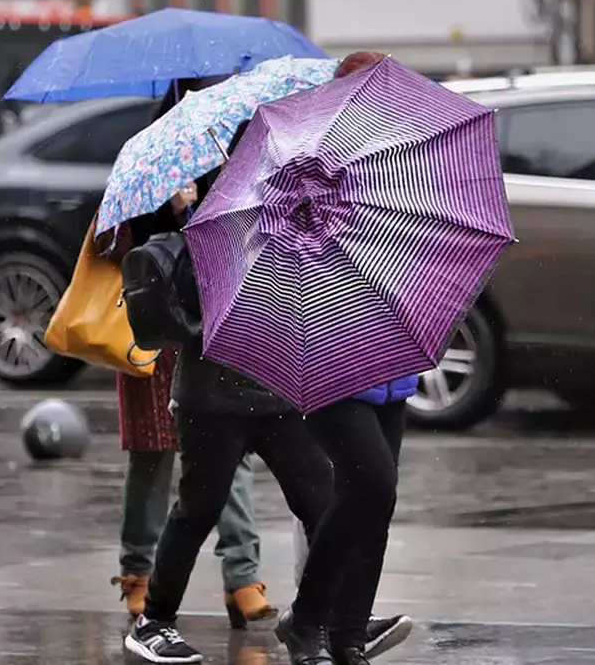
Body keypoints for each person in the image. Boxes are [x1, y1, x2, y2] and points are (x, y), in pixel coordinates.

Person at [124, 124, 336, 665]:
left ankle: (325, 615)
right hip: (212, 397)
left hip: (272, 392)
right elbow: (200, 304)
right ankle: (154, 623)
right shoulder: (211, 222)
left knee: (324, 499)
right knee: (198, 508)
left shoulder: (285, 215)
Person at [109, 78, 277, 629]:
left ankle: (243, 578)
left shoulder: (241, 153)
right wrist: (176, 208)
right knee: (155, 457)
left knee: (231, 459)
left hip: (218, 332)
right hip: (157, 331)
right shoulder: (150, 157)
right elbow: (132, 246)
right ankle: (139, 576)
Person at [275, 51, 419, 665]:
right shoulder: (306, 168)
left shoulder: (402, 164)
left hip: (389, 361)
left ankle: (348, 634)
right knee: (372, 482)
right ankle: (307, 619)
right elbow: (283, 258)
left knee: (375, 500)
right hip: (330, 353)